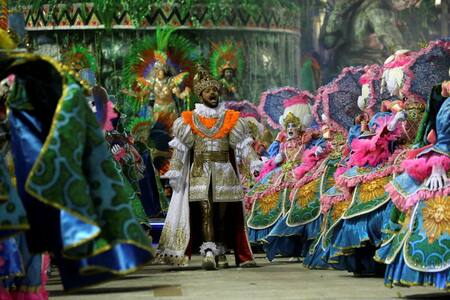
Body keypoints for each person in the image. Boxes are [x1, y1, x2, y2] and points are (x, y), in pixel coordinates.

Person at [158, 66, 261, 270]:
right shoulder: (189, 120)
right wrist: (175, 171)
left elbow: (242, 145)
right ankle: (208, 251)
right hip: (200, 172)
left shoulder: (231, 119)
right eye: (208, 91)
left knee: (222, 215)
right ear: (201, 94)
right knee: (206, 211)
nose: (212, 93)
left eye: (215, 90)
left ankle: (221, 251)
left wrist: (254, 162)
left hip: (224, 172)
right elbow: (181, 149)